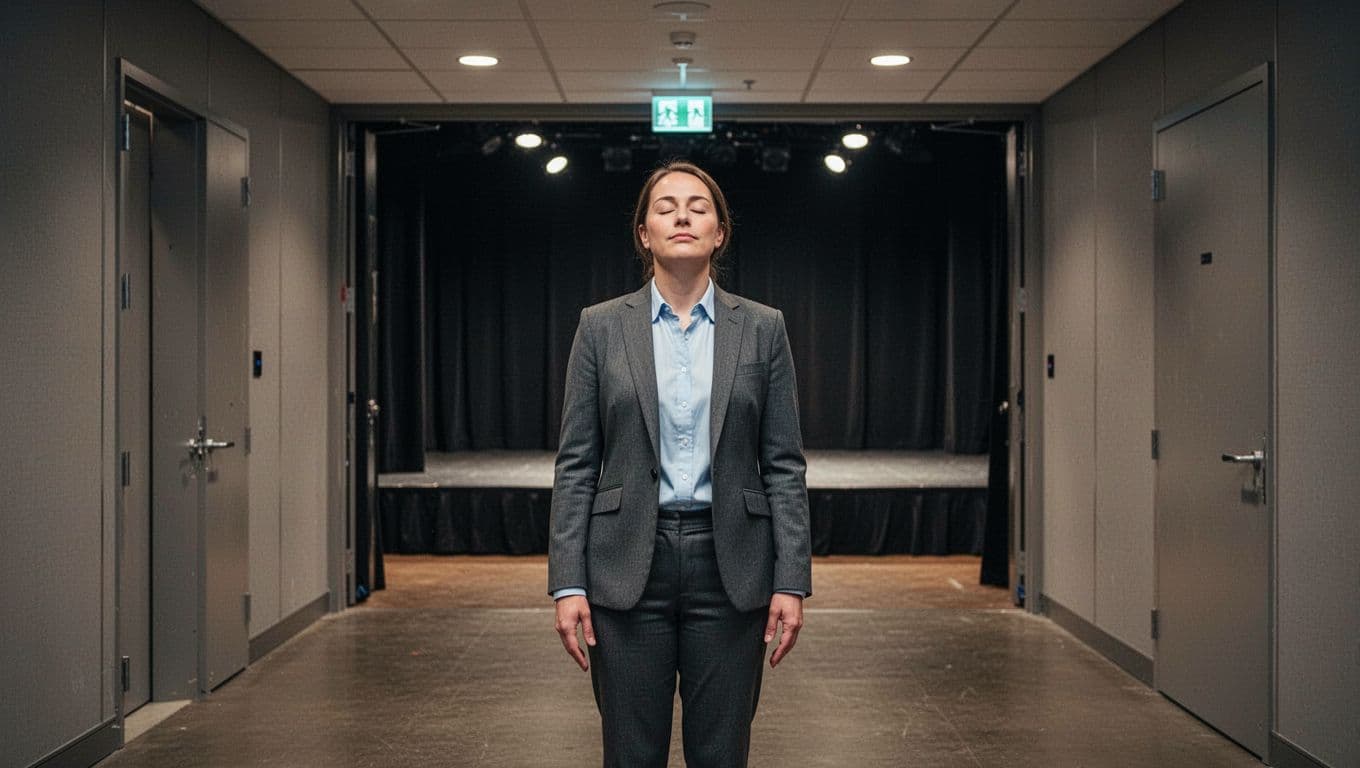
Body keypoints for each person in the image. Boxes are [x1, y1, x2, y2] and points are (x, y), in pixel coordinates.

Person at [548, 161, 812, 768]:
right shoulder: (601, 326)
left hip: (733, 567)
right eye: (665, 207)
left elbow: (783, 465)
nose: (683, 215)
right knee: (631, 753)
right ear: (644, 234)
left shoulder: (764, 328)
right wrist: (568, 582)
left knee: (721, 754)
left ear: (720, 232)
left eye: (699, 205)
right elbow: (576, 465)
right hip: (623, 566)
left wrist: (790, 579)